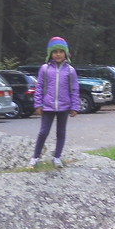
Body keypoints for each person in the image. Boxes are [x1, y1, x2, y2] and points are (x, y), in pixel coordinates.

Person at [31, 36, 80, 168]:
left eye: (61, 51)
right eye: (55, 52)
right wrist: (38, 104)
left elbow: (74, 89)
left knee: (61, 133)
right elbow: (39, 87)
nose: (58, 54)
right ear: (50, 54)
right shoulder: (45, 69)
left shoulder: (70, 70)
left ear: (66, 53)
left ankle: (57, 157)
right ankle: (35, 157)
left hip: (64, 107)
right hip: (47, 106)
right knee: (43, 132)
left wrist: (75, 106)